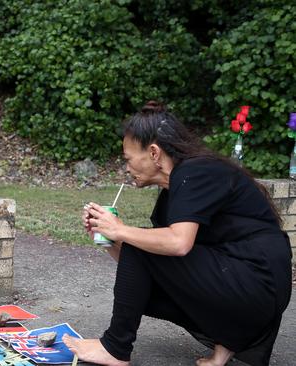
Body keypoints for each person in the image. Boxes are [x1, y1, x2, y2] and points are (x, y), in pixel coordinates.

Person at [62, 101, 292, 366]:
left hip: (259, 282)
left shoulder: (196, 171)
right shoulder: (174, 193)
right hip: (245, 285)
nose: (126, 167)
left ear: (154, 153)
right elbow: (143, 266)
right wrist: (109, 238)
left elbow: (179, 244)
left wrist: (122, 230)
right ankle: (225, 345)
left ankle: (115, 348)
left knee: (142, 240)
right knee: (143, 255)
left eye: (128, 159)